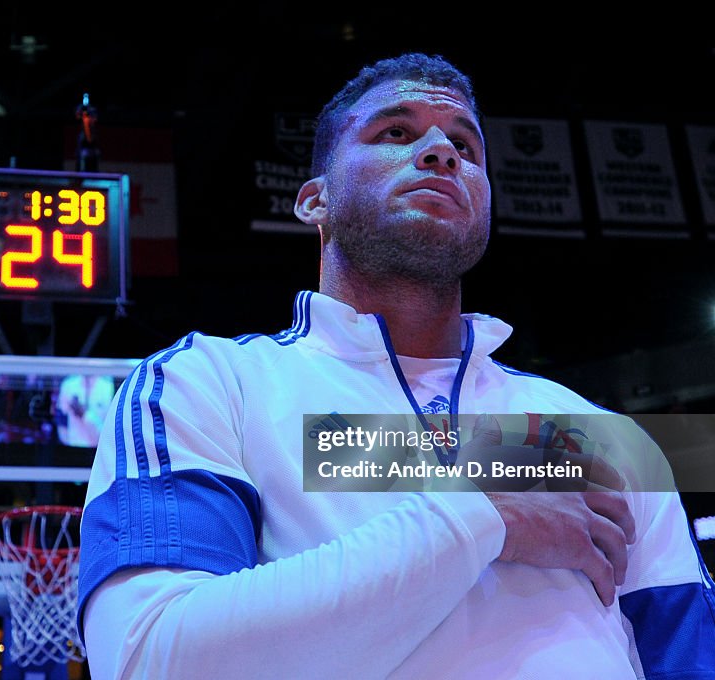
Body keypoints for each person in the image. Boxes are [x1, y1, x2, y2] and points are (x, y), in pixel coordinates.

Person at [76, 53, 715, 678]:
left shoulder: (596, 431)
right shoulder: (206, 382)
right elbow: (146, 657)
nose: (442, 153)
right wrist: (484, 511)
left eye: (466, 147)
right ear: (314, 201)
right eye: (396, 133)